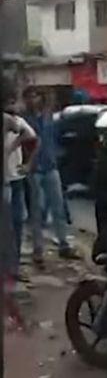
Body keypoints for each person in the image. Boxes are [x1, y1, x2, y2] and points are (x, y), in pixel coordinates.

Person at [21, 87, 78, 264]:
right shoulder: (25, 120)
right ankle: (38, 249)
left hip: (51, 167)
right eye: (29, 97)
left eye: (36, 95)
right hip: (34, 169)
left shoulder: (48, 117)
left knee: (58, 208)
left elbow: (55, 138)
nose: (33, 100)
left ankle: (63, 244)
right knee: (37, 210)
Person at [3, 95, 39, 279]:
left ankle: (13, 266)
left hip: (15, 177)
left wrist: (27, 164)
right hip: (7, 179)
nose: (14, 106)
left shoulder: (16, 122)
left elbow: (32, 137)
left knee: (16, 224)